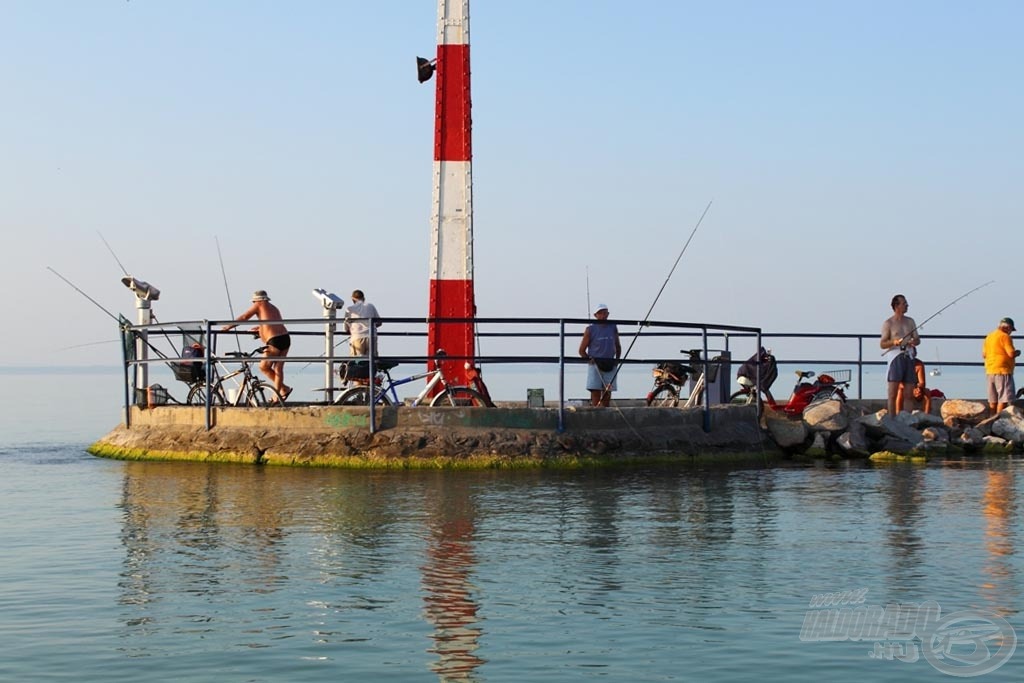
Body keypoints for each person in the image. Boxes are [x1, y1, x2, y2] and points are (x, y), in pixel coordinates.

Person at [222, 290, 292, 402]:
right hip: (285, 338)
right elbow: (274, 323)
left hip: (275, 340)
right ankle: (282, 390)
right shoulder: (273, 308)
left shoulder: (258, 305)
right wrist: (261, 328)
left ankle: (280, 392)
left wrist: (229, 327)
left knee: (264, 367)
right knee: (278, 368)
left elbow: (245, 317)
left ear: (256, 300)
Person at [880, 293, 920, 415]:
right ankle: (892, 418)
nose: (907, 305)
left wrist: (914, 342)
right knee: (893, 392)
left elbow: (917, 339)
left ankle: (907, 419)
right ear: (896, 306)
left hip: (909, 356)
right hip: (895, 357)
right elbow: (882, 344)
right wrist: (894, 342)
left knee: (909, 393)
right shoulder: (888, 323)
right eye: (904, 303)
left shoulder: (910, 321)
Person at [578, 303, 621, 407]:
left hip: (609, 362)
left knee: (607, 390)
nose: (603, 315)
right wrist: (589, 359)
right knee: (595, 390)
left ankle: (605, 411)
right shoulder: (590, 329)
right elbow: (581, 350)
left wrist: (617, 360)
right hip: (595, 364)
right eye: (600, 313)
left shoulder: (613, 327)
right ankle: (596, 409)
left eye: (605, 313)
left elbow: (618, 345)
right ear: (595, 315)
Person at [982, 317, 1019, 415]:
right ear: (1008, 328)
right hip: (1003, 370)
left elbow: (984, 355)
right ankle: (997, 420)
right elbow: (1011, 353)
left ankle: (990, 420)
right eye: (1011, 330)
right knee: (1004, 399)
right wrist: (1018, 352)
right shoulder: (1005, 337)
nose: (1011, 332)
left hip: (990, 370)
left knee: (993, 400)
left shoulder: (989, 336)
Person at [344, 289, 381, 357]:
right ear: (363, 298)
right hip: (371, 336)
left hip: (357, 337)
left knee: (357, 362)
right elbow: (379, 322)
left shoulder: (349, 309)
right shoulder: (370, 306)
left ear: (352, 298)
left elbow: (346, 328)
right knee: (371, 362)